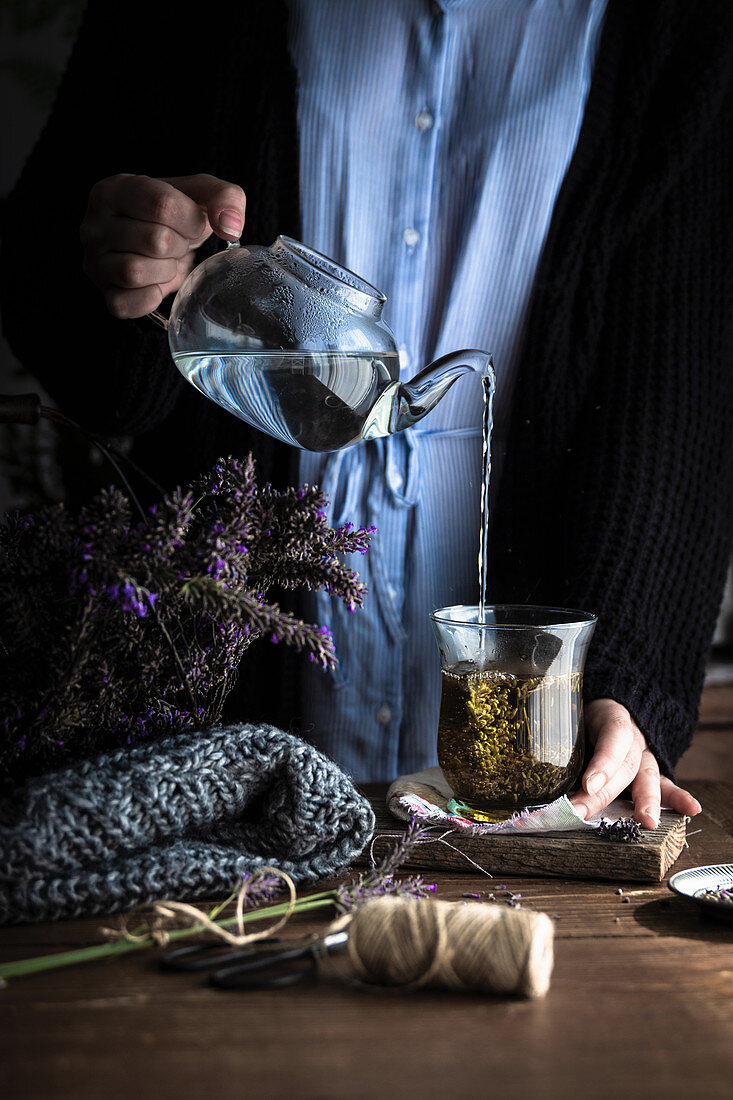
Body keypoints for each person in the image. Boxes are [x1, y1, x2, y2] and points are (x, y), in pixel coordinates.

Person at [2, 0, 732, 829]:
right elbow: (86, 357)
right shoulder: (189, 18)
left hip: (532, 805)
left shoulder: (680, 31)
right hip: (211, 768)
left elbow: (679, 398)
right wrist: (127, 275)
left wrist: (623, 682)